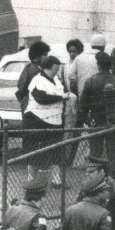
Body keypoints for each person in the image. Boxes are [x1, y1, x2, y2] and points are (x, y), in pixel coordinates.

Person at [77, 51, 115, 174]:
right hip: (113, 122)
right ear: (110, 66)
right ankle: (112, 179)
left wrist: (87, 120)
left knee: (95, 153)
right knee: (113, 155)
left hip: (95, 122)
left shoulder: (90, 81)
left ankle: (93, 178)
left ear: (98, 65)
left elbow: (83, 106)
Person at [23, 55, 69, 187]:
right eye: (56, 67)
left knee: (56, 151)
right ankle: (31, 179)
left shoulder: (57, 79)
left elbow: (63, 92)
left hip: (55, 119)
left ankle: (56, 180)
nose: (58, 69)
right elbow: (41, 98)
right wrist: (61, 97)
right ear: (49, 67)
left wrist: (64, 96)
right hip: (36, 119)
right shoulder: (37, 80)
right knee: (33, 149)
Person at [15, 40, 50, 115]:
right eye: (45, 55)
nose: (47, 57)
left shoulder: (28, 67)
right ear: (37, 57)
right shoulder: (36, 71)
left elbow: (20, 86)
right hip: (34, 108)